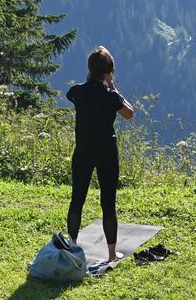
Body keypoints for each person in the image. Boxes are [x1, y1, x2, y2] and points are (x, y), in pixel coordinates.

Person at [66, 46, 134, 262]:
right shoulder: (111, 96)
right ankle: (112, 254)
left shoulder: (76, 92)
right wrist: (113, 88)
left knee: (77, 200)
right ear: (108, 72)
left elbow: (74, 94)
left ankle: (72, 246)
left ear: (90, 70)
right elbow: (129, 113)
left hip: (83, 151)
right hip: (106, 153)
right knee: (108, 203)